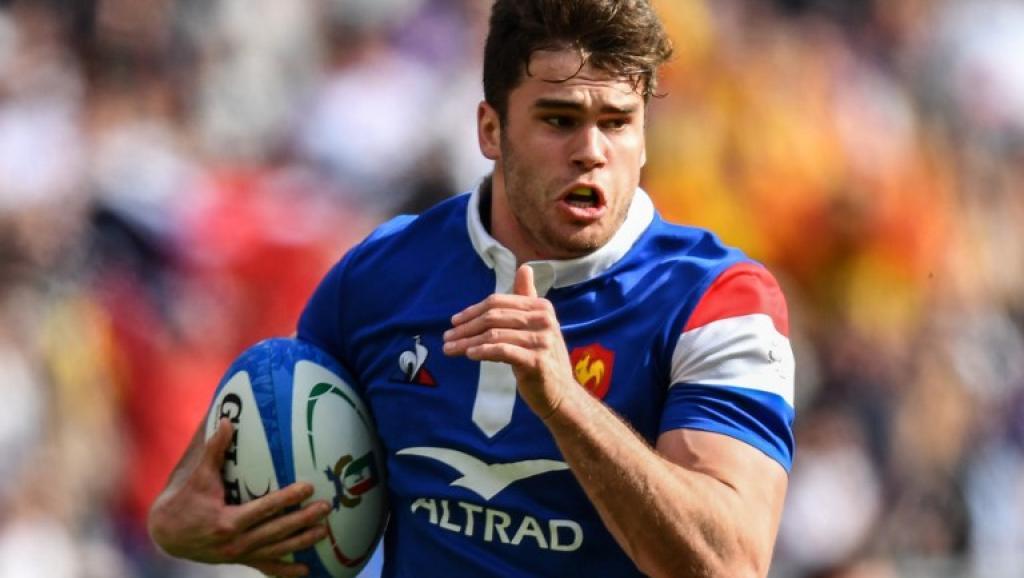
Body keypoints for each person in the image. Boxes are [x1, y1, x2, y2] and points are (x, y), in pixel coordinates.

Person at [148, 1, 795, 576]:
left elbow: (730, 564)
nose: (592, 151)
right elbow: (260, 424)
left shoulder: (719, 301)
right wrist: (182, 521)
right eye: (559, 119)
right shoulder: (384, 273)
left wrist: (565, 404)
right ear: (490, 129)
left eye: (618, 122)